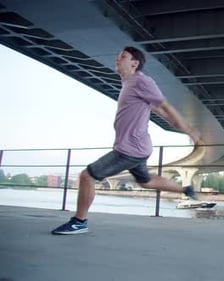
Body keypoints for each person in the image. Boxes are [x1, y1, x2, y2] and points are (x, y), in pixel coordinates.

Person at [51, 46, 201, 235]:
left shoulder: (141, 81)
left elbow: (166, 105)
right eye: (118, 56)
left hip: (130, 149)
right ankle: (185, 189)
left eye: (123, 56)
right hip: (139, 147)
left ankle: (79, 222)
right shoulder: (130, 83)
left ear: (134, 63)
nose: (117, 59)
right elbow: (159, 111)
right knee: (145, 181)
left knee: (87, 176)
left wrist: (188, 130)